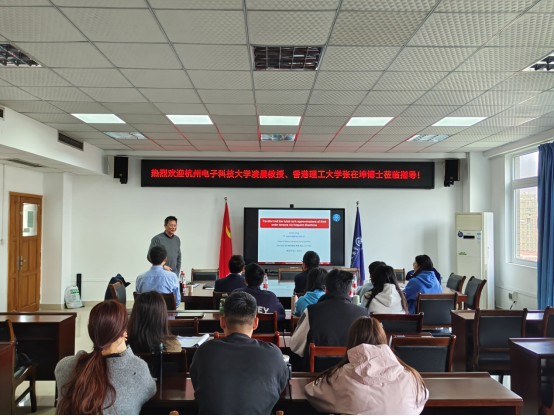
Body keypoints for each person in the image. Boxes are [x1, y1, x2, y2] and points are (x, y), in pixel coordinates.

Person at [304, 316, 428, 414]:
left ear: (351, 341)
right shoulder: (411, 377)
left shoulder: (340, 376)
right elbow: (418, 403)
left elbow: (312, 392)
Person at [190, 292, 289, 414]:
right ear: (255, 323)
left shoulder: (204, 352)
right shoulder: (273, 354)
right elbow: (280, 386)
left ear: (222, 322)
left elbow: (197, 385)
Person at [55, 300, 156, 415]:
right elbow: (150, 390)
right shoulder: (137, 369)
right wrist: (126, 352)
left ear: (91, 331)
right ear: (124, 332)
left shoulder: (64, 366)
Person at [290, 269, 366, 362]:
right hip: (352, 368)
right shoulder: (363, 314)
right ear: (350, 292)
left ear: (326, 290)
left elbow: (295, 345)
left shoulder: (311, 311)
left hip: (318, 370)